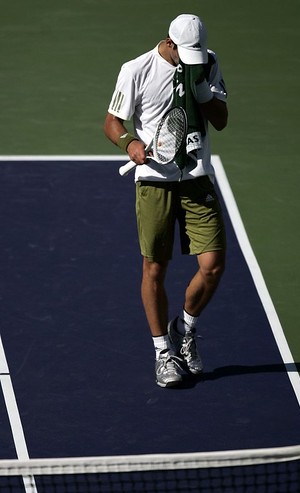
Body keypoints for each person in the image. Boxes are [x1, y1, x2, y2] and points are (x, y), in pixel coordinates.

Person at [104, 14, 228, 387]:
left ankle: (184, 328)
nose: (192, 59)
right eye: (185, 53)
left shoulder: (206, 61)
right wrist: (130, 143)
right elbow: (112, 122)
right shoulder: (136, 70)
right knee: (154, 269)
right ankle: (163, 351)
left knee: (213, 266)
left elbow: (220, 120)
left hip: (195, 178)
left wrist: (203, 89)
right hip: (154, 183)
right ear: (169, 43)